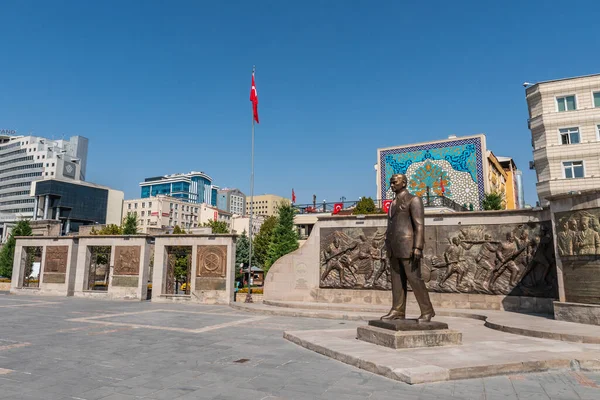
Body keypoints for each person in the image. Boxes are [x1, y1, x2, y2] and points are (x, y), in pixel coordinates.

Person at [380, 173, 435, 322]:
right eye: (390, 183)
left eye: (394, 182)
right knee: (396, 279)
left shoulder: (413, 200)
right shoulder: (392, 203)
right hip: (393, 246)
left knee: (414, 279)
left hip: (408, 247)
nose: (391, 185)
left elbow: (419, 225)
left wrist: (418, 247)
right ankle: (397, 309)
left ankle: (427, 311)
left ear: (403, 183)